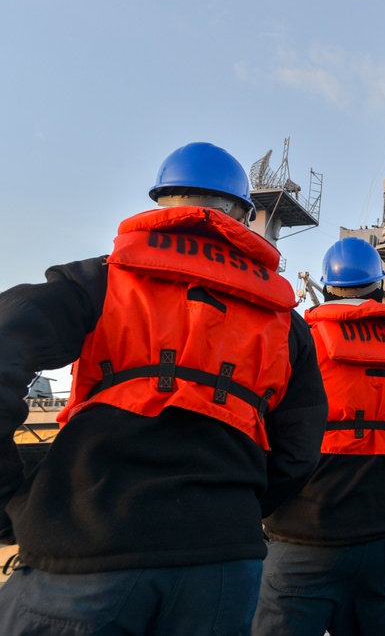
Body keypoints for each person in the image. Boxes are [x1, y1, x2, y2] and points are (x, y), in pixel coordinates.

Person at [0, 142, 328, 635]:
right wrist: (235, 508)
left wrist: (11, 493)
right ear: (244, 214)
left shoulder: (102, 279)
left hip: (86, 544)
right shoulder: (286, 323)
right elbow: (299, 450)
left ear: (162, 203)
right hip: (223, 561)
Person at [253, 236, 385, 636]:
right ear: (379, 288)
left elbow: (266, 430)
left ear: (325, 287)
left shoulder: (297, 338)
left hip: (304, 535)